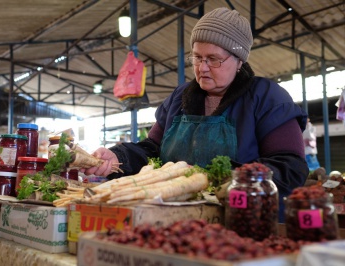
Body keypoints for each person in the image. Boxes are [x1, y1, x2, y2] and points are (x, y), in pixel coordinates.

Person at [82, 7, 309, 221]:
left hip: (243, 220)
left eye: (213, 59)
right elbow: (152, 150)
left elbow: (290, 167)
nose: (202, 68)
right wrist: (118, 157)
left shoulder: (267, 97)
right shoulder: (181, 97)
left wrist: (223, 177)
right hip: (174, 219)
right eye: (197, 58)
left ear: (239, 60)